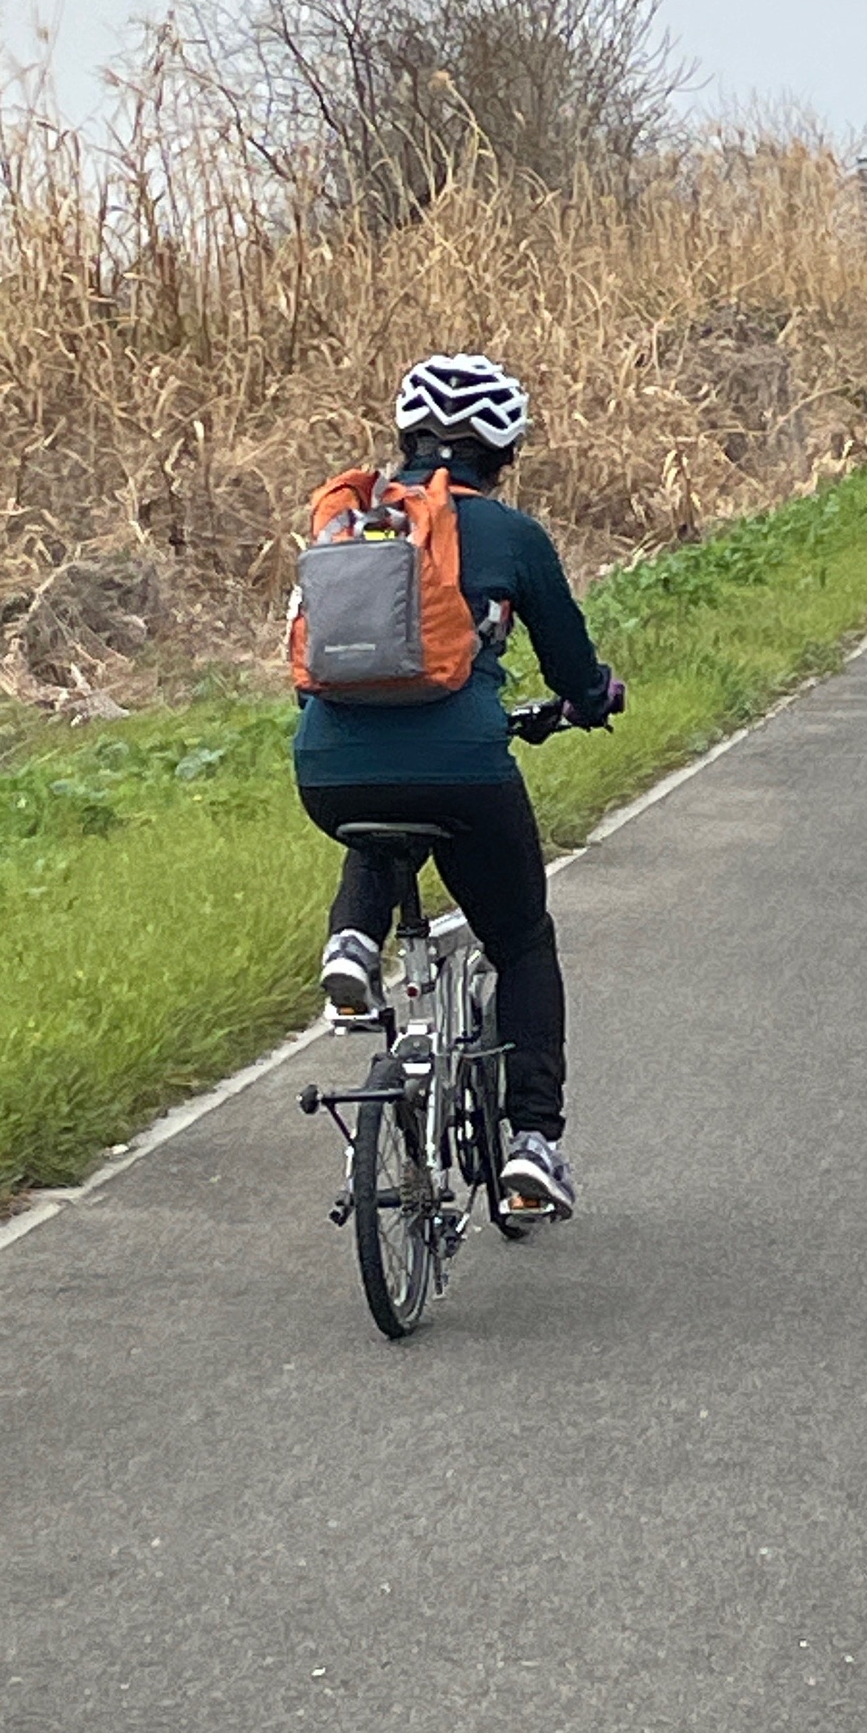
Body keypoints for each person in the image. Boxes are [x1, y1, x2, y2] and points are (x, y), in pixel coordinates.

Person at [293, 354, 621, 1220]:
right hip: (467, 769)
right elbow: (573, 667)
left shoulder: (352, 523)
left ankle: (352, 946)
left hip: (329, 768)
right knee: (520, 941)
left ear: (403, 439)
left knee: (380, 818)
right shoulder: (512, 537)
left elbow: (309, 663)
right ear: (502, 456)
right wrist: (592, 702)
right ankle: (532, 1144)